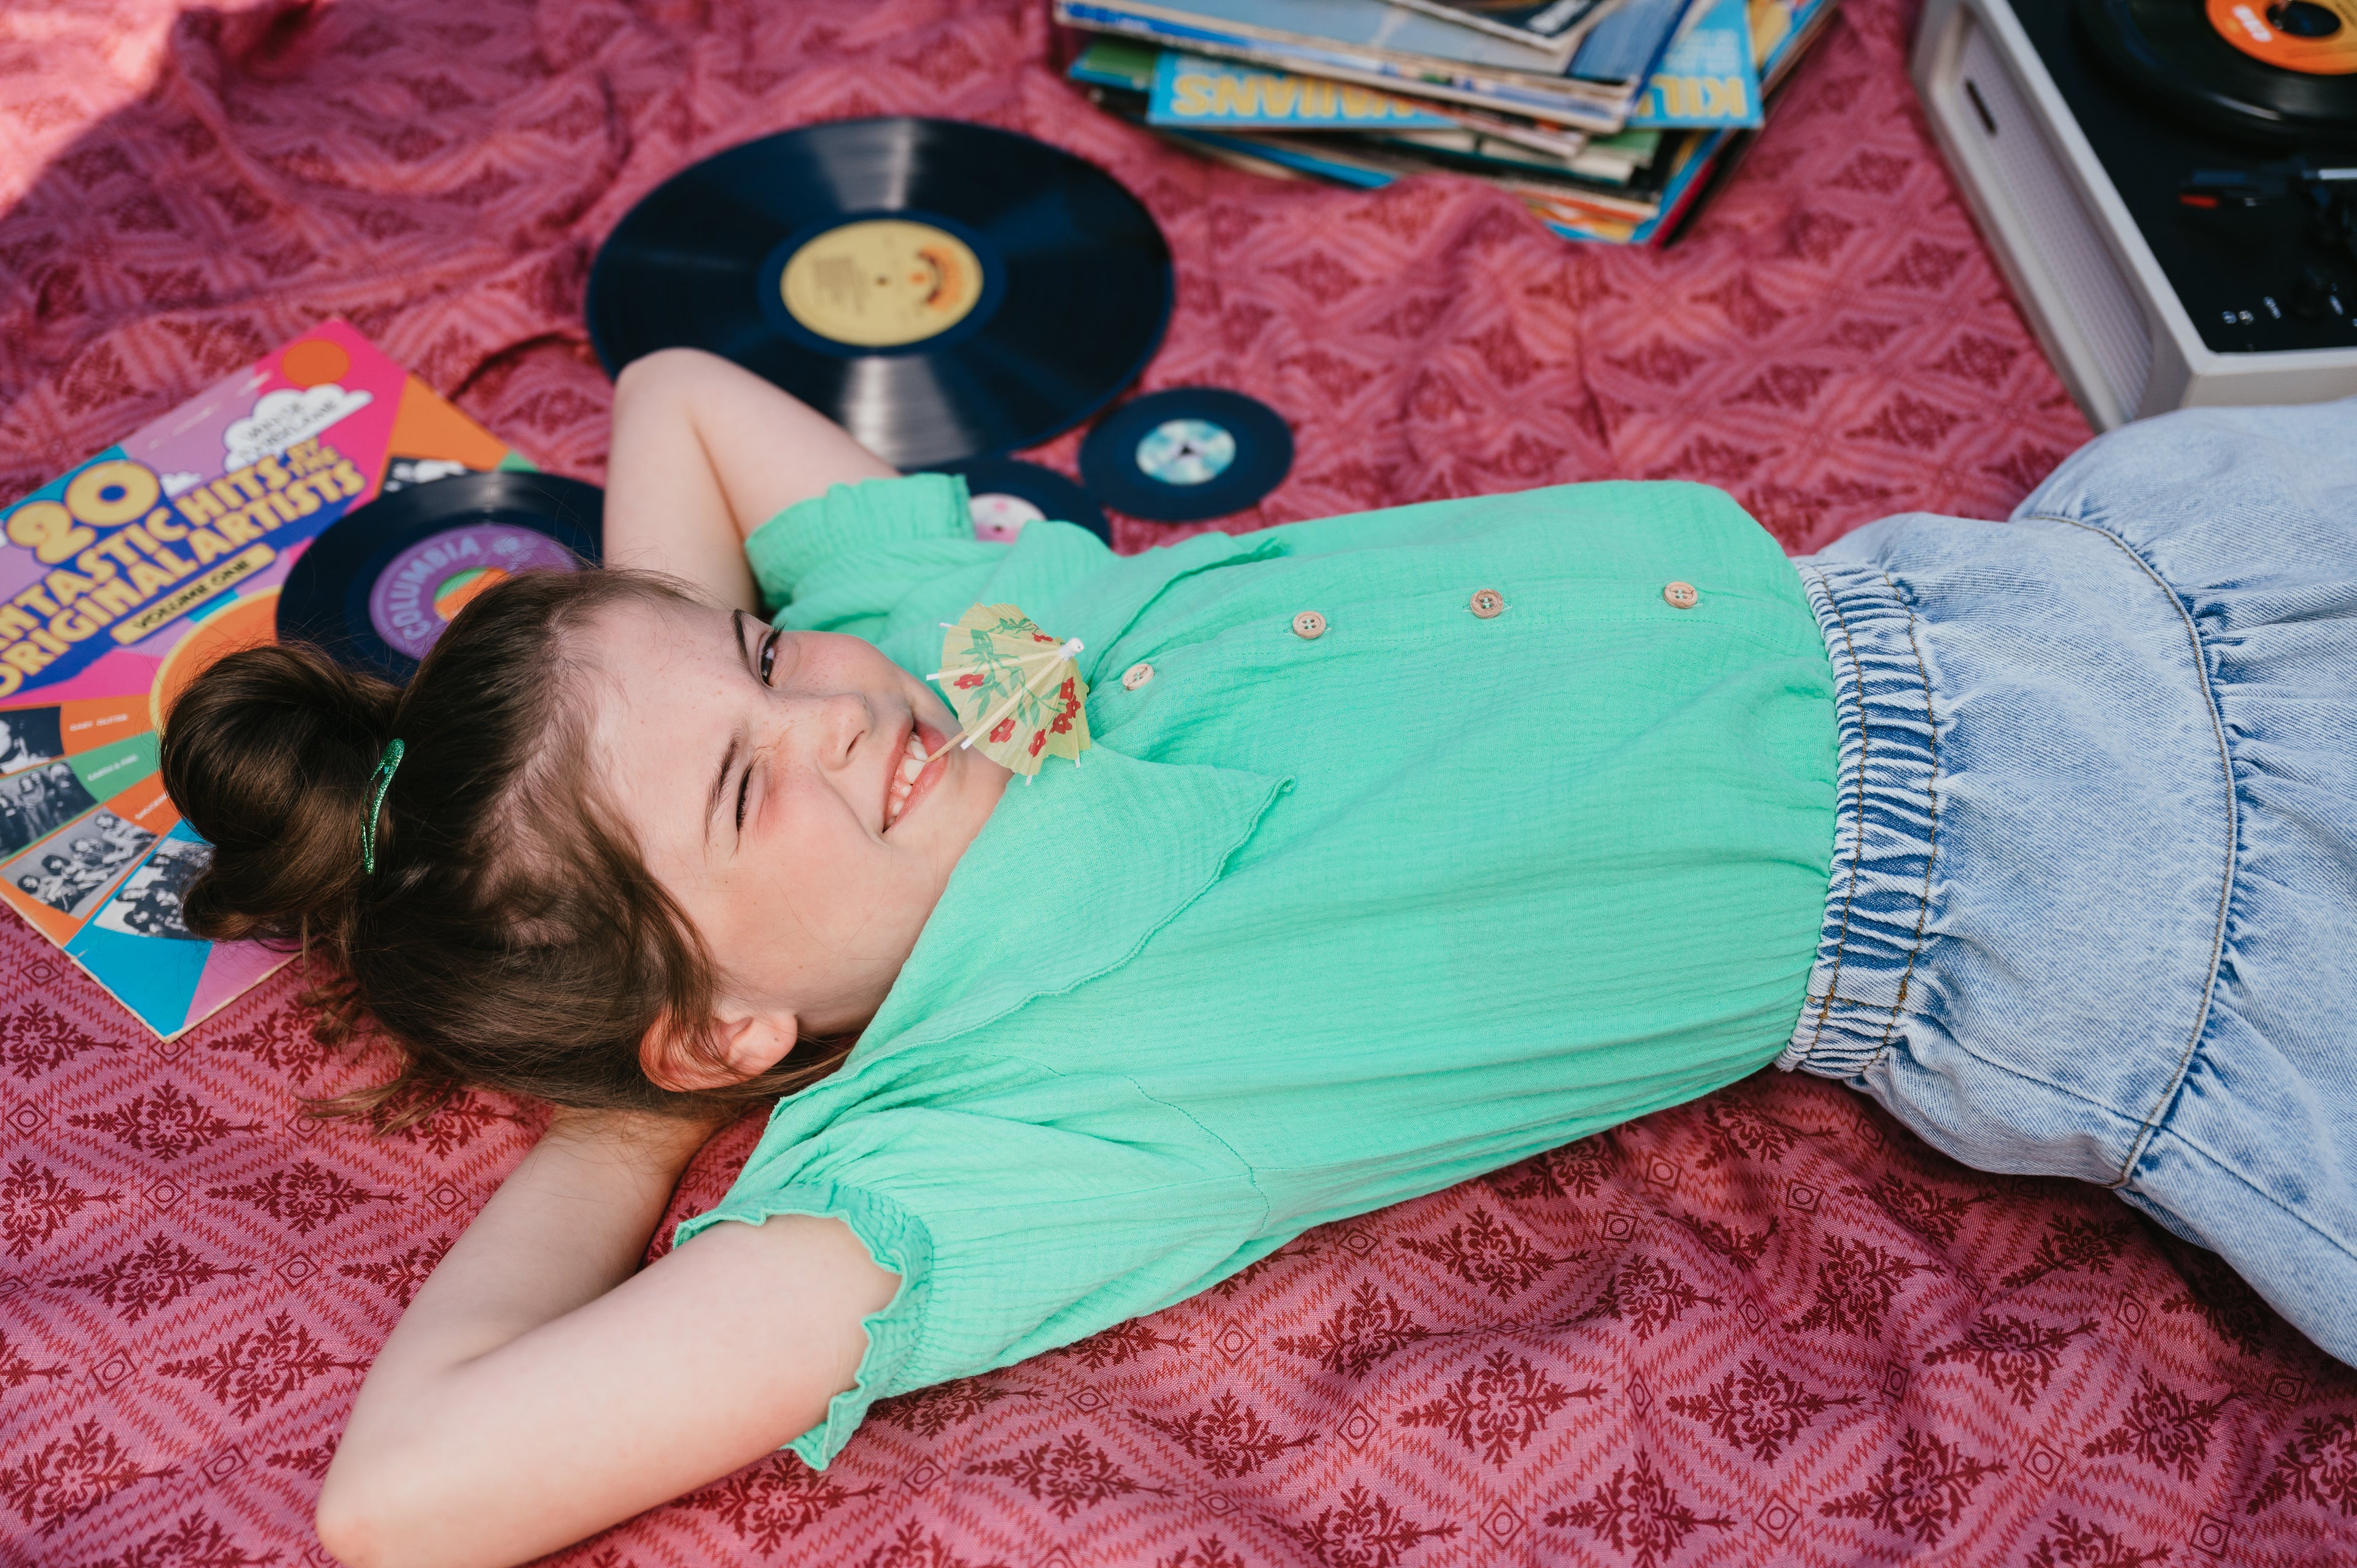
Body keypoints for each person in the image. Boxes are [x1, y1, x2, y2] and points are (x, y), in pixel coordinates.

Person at [156, 350, 2357, 1568]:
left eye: (757, 649)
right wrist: (639, 1119)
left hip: (2084, 589)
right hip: (2129, 898)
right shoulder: (967, 1137)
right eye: (746, 792)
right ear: (722, 1018)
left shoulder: (913, 664)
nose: (824, 709)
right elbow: (400, 1496)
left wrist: (668, 721)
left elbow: (676, 396)